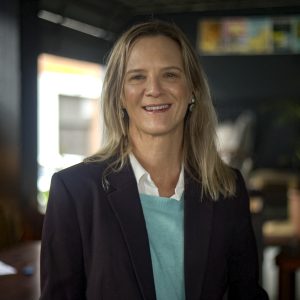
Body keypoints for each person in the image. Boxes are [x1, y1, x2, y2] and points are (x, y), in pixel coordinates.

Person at [40, 20, 268, 300]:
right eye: (137, 77)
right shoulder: (74, 190)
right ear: (120, 95)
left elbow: (246, 293)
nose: (154, 89)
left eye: (170, 75)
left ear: (193, 89)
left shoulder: (227, 187)